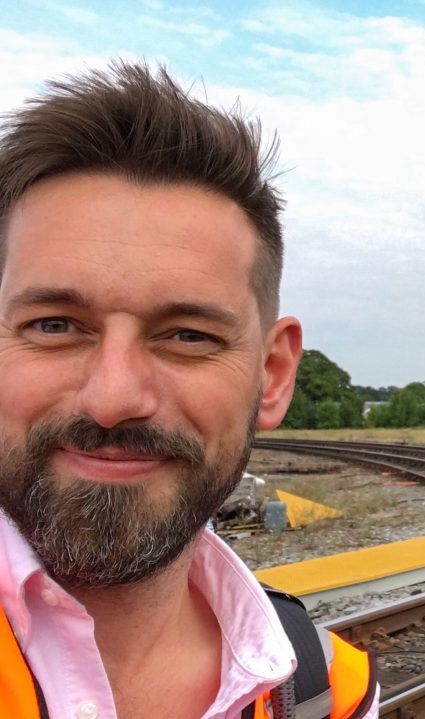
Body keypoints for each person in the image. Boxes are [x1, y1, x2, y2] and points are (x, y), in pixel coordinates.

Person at [0, 62, 378, 718]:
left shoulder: (327, 693)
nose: (113, 398)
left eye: (188, 335)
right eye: (55, 325)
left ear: (273, 375)